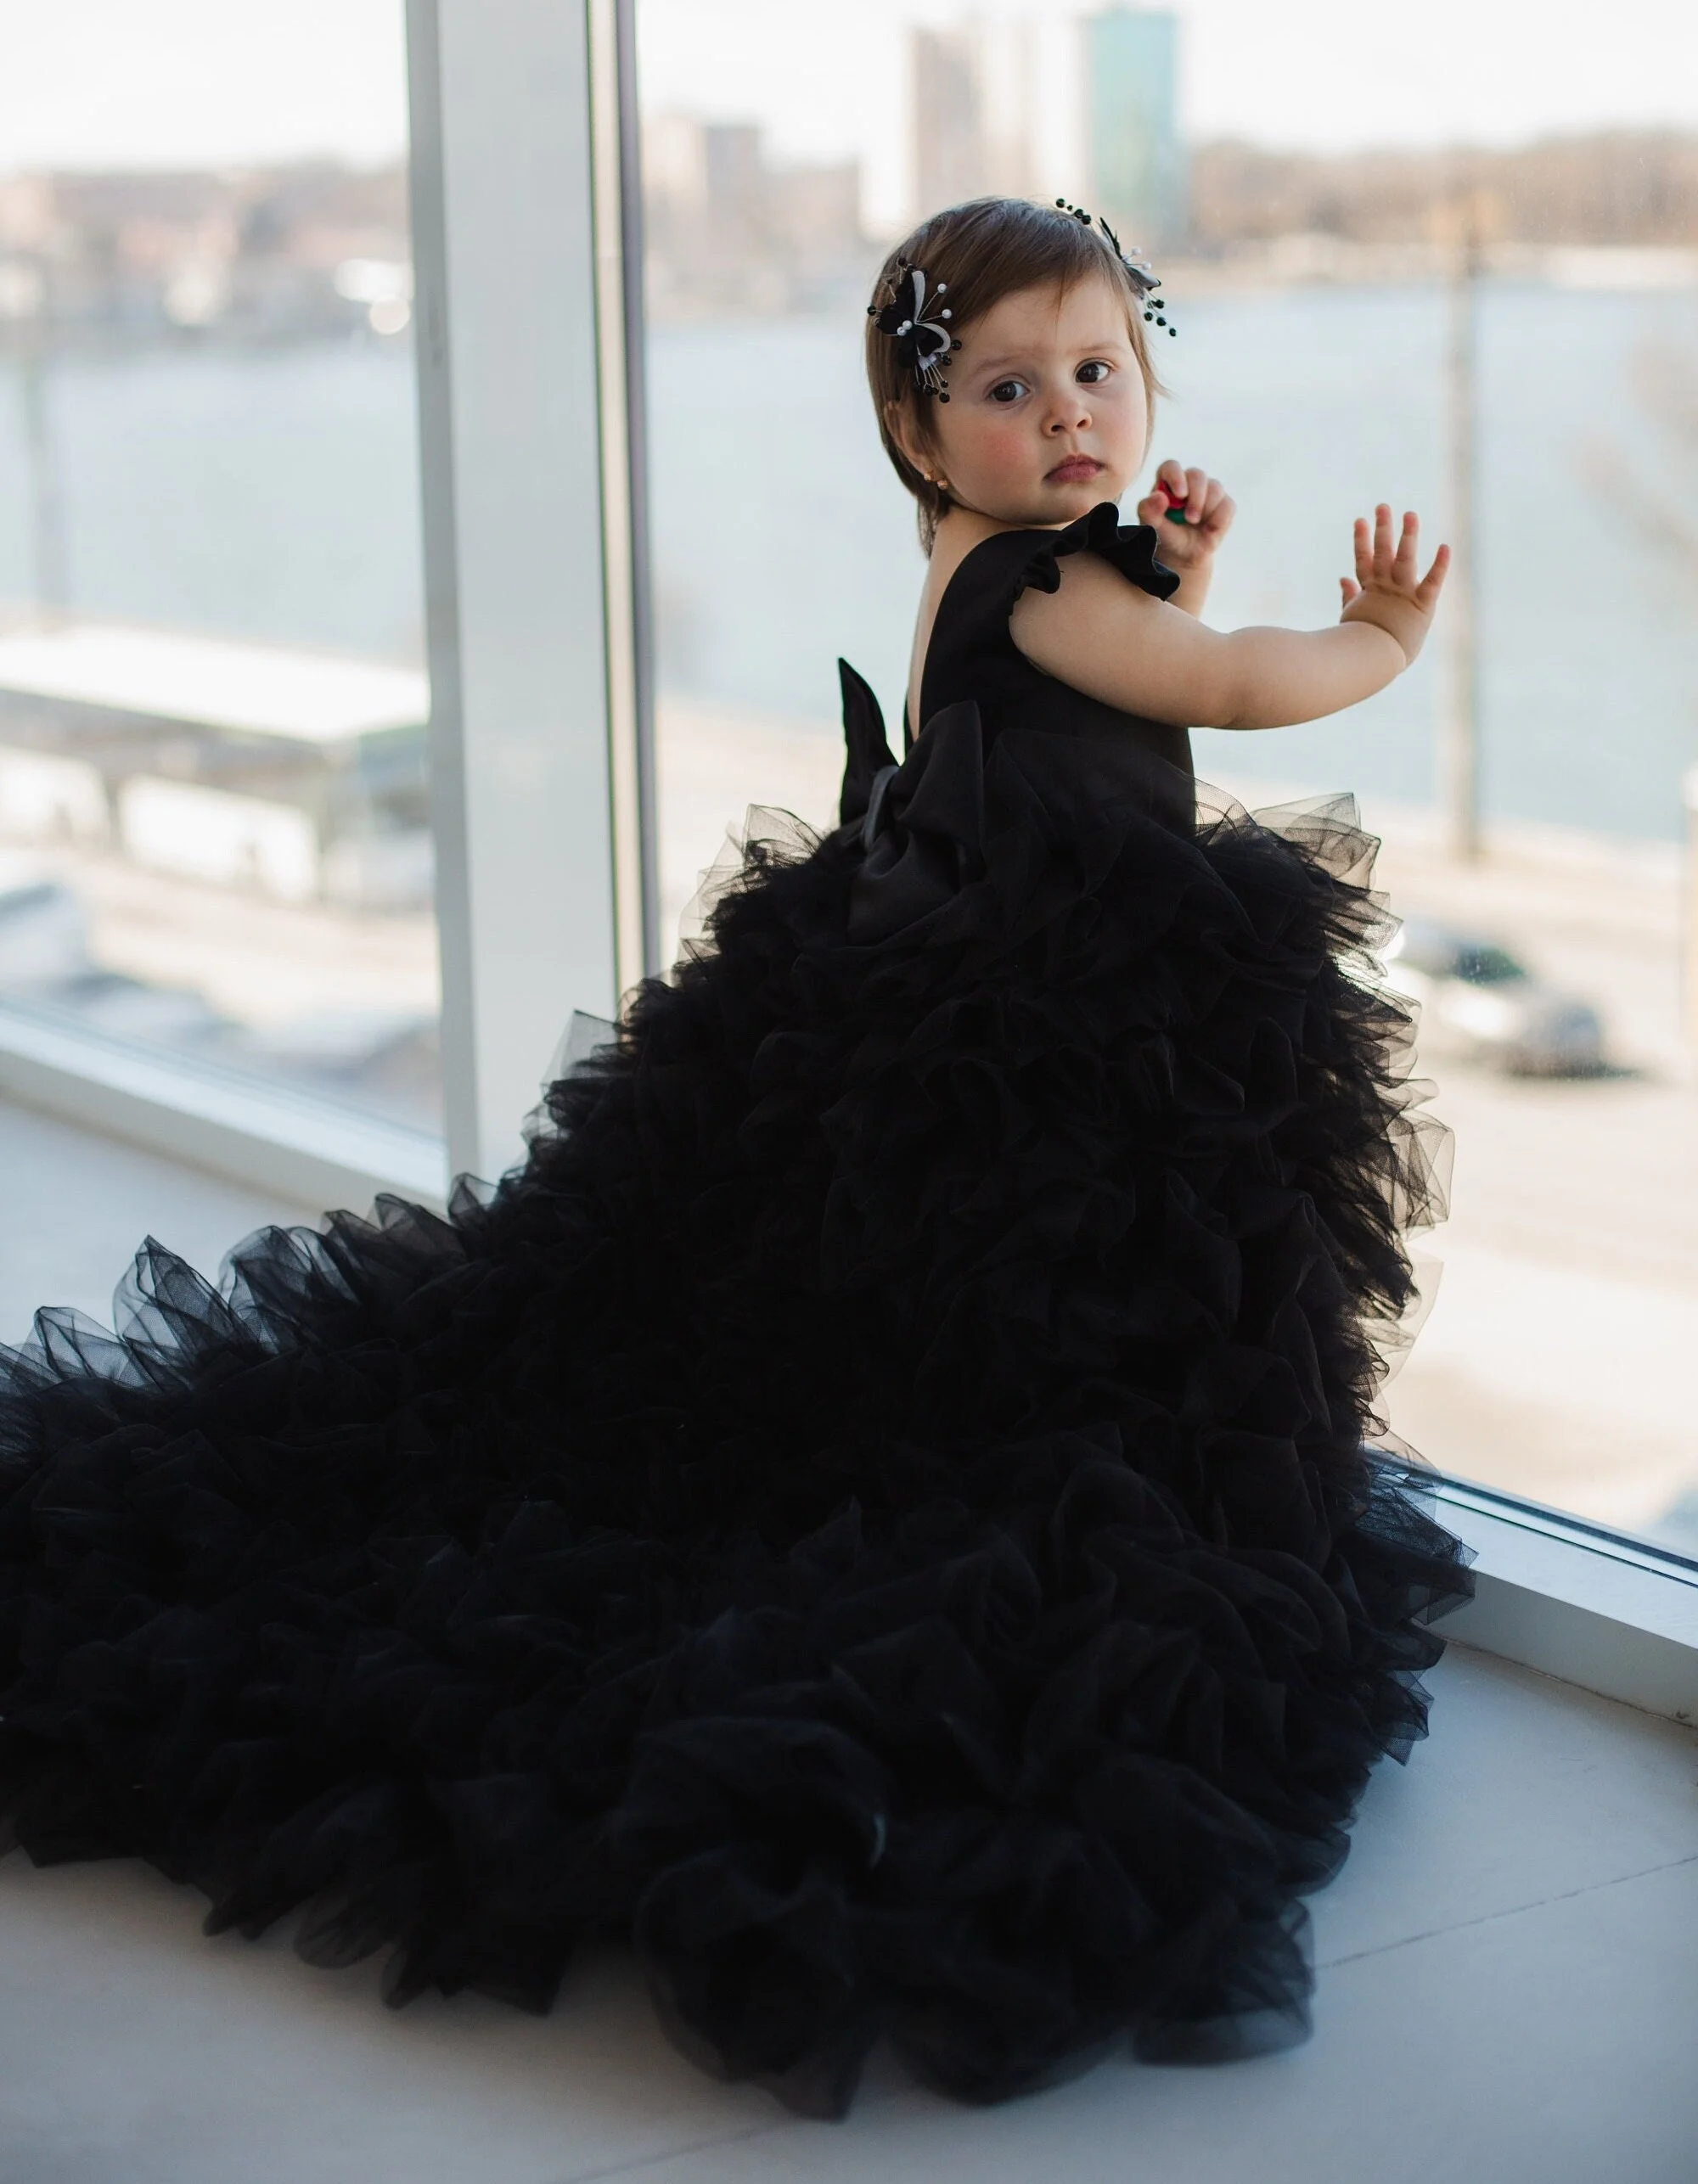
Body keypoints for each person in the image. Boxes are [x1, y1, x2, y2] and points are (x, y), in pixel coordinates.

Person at [0, 195, 1470, 2119]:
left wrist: (1166, 567)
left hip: (937, 978)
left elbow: (1112, 676)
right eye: (1010, 387)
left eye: (1099, 372)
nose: (1071, 418)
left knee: (868, 1309)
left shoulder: (986, 560)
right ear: (924, 436)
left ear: (1147, 375)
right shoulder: (1050, 587)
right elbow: (1221, 695)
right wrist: (1363, 636)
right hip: (1039, 1027)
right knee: (1063, 1316)